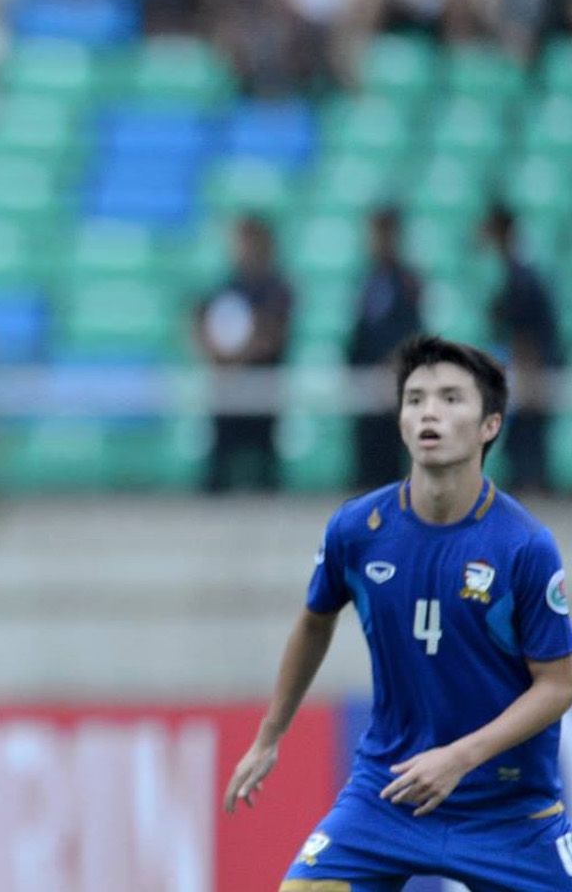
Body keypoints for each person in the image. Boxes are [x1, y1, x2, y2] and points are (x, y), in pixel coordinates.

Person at [224, 335, 572, 889]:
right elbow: (314, 621)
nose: (429, 412)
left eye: (451, 398)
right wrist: (269, 737)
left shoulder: (524, 547)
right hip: (387, 796)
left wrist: (458, 758)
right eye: (415, 399)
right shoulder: (357, 530)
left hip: (508, 812)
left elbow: (558, 685)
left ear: (490, 425)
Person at [195, 215, 293, 493]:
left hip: (263, 385)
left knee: (264, 464)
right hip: (228, 388)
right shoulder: (226, 287)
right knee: (220, 463)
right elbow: (202, 322)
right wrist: (214, 353)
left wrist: (237, 358)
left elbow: (274, 334)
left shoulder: (277, 288)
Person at [485, 204, 562, 494]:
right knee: (520, 442)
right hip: (524, 366)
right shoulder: (513, 272)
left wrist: (528, 370)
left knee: (528, 440)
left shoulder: (521, 276)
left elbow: (527, 330)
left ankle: (533, 491)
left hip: (531, 369)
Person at [348, 207, 425, 490]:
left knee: (392, 472)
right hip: (366, 387)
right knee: (367, 471)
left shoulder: (407, 282)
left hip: (394, 387)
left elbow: (412, 333)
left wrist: (393, 369)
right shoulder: (366, 281)